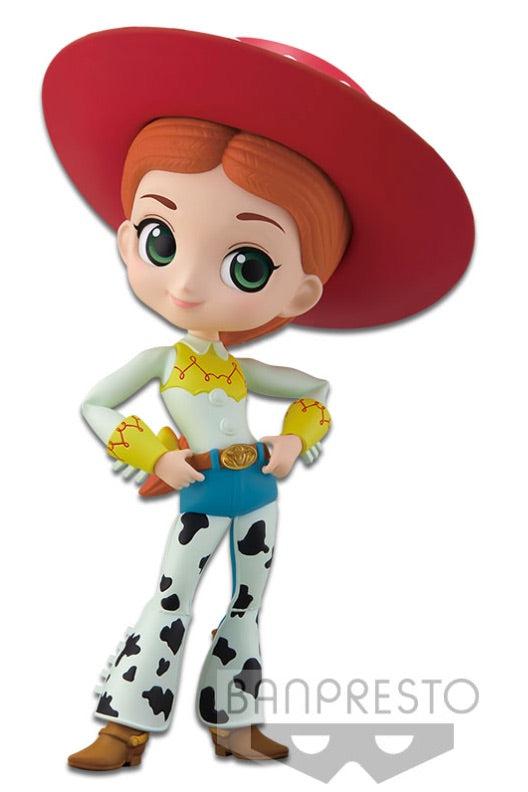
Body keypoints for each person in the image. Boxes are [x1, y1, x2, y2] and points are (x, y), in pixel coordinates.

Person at [42, 28, 474, 770]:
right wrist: (156, 456)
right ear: (126, 240)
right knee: (171, 599)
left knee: (247, 603)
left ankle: (234, 721)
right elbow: (96, 405)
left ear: (302, 292)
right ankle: (126, 723)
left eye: (246, 264)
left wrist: (294, 440)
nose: (185, 285)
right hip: (202, 490)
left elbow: (315, 391)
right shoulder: (163, 362)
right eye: (160, 239)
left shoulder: (246, 372)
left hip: (258, 495)